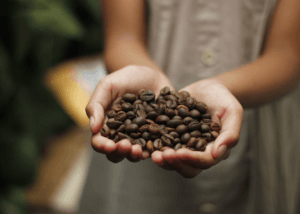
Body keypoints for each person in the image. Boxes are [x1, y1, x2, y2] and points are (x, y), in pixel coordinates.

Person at [81, 0, 300, 213]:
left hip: (261, 137)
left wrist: (221, 87)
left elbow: (288, 55)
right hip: (140, 178)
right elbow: (122, 39)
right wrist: (143, 74)